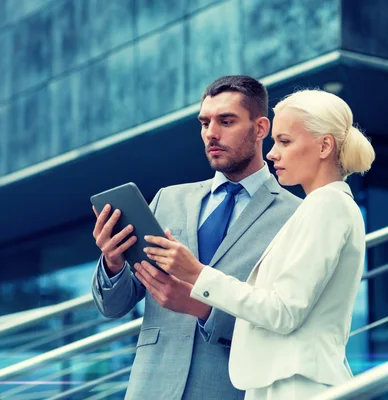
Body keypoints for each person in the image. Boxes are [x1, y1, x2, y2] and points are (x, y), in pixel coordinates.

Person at [140, 89, 375, 399]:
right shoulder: (322, 206)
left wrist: (198, 274)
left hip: (296, 385)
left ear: (324, 145)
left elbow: (282, 311)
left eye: (285, 141)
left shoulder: (327, 205)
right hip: (282, 381)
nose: (271, 153)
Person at [91, 75, 302, 399]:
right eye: (205, 123)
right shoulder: (167, 200)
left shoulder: (295, 216)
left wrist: (203, 309)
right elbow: (113, 307)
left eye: (226, 121)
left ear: (261, 128)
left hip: (228, 389)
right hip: (151, 387)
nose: (211, 134)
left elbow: (285, 323)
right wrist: (113, 262)